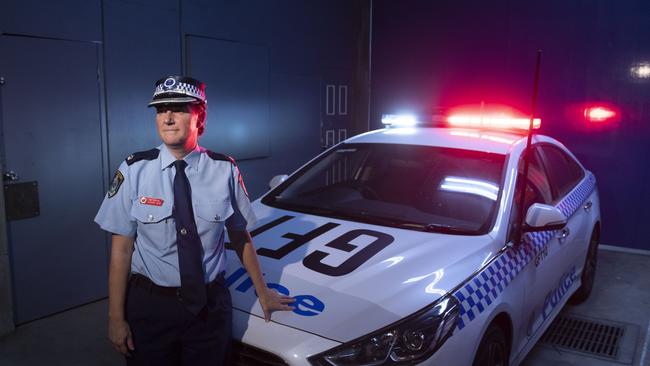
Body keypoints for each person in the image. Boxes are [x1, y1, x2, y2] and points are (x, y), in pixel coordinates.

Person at [94, 75, 294, 365]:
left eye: (178, 108)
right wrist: (115, 317)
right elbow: (121, 249)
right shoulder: (134, 169)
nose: (168, 117)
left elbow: (240, 236)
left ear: (200, 115)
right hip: (150, 307)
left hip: (208, 309)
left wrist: (261, 292)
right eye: (161, 110)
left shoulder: (224, 169)